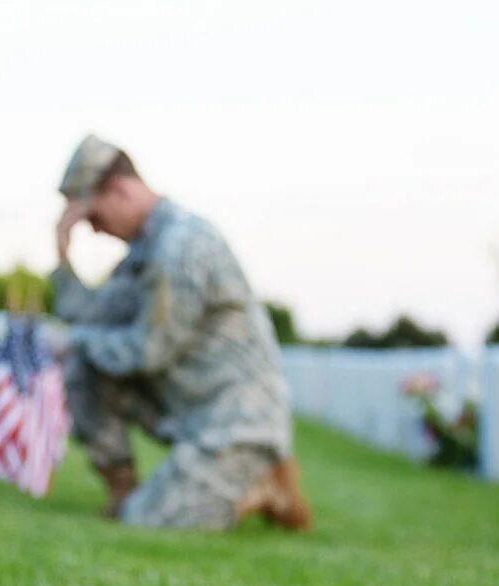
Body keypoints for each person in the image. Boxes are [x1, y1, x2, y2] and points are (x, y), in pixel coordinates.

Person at [50, 134, 312, 531]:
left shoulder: (180, 247)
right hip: (188, 408)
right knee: (84, 366)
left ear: (120, 191)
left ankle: (261, 484)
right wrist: (63, 257)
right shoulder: (143, 250)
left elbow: (146, 351)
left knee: (148, 520)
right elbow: (90, 321)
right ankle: (124, 493)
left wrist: (74, 343)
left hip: (236, 421)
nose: (97, 232)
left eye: (95, 219)